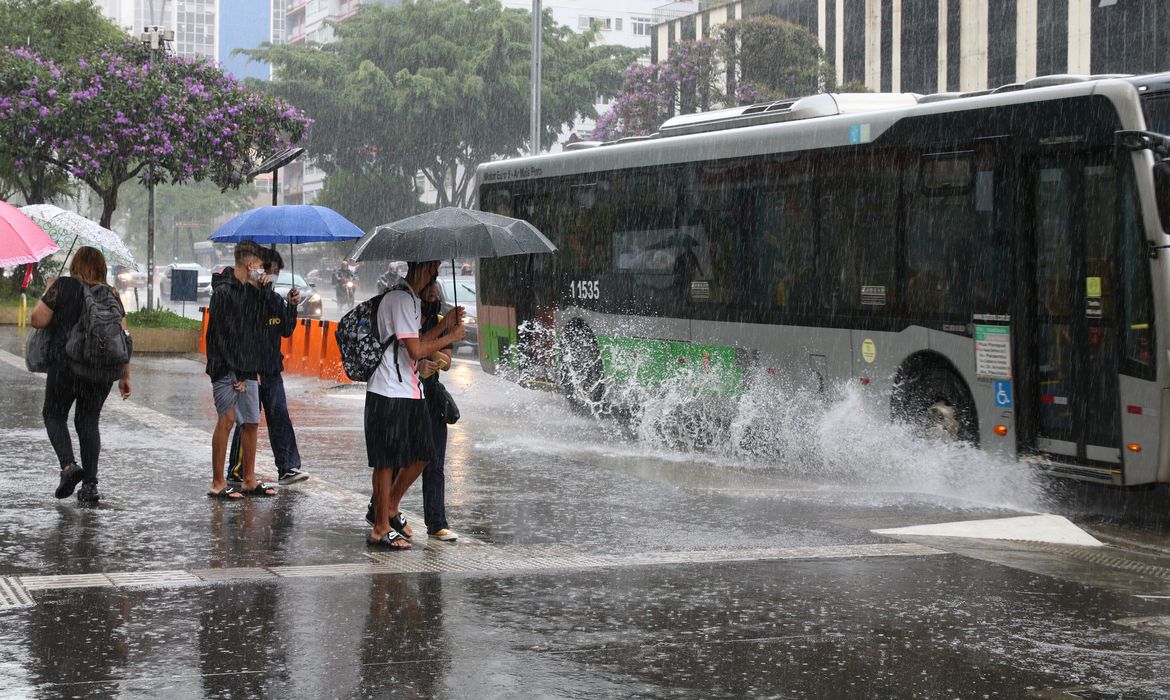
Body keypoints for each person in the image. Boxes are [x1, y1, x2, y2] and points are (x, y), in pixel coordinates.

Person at [364, 260, 465, 550]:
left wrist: (446, 324)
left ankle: (391, 508)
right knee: (386, 461)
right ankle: (381, 527)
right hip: (387, 390)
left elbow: (418, 340)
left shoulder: (410, 300)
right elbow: (416, 349)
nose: (435, 276)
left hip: (408, 390)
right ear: (424, 268)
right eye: (434, 269)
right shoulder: (399, 298)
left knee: (423, 453)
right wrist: (451, 335)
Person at [31, 247, 132, 504]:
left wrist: (49, 290)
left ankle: (69, 467)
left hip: (65, 367)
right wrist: (125, 375)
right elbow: (123, 337)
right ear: (101, 269)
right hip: (99, 372)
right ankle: (89, 486)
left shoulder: (63, 286)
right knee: (88, 422)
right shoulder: (111, 294)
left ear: (75, 265)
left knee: (53, 415)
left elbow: (37, 320)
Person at [227, 247, 309, 486]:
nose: (271, 277)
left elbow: (286, 329)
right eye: (268, 271)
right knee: (248, 422)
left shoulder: (274, 298)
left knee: (280, 416)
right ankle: (237, 470)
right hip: (250, 371)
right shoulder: (244, 296)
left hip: (272, 369)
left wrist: (292, 306)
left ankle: (287, 467)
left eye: (275, 273)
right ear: (256, 268)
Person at [205, 240, 277, 500]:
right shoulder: (223, 293)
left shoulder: (252, 292)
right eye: (259, 265)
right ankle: (217, 482)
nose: (261, 269)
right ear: (249, 264)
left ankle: (249, 479)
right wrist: (234, 372)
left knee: (251, 422)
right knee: (227, 420)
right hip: (226, 368)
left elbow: (261, 327)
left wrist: (267, 291)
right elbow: (220, 336)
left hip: (247, 368)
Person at [419, 280, 458, 542]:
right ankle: (381, 511)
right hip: (405, 394)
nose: (433, 293)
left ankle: (436, 523)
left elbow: (447, 363)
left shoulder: (441, 320)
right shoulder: (407, 318)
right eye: (428, 288)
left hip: (431, 396)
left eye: (435, 289)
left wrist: (434, 357)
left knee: (435, 462)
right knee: (400, 462)